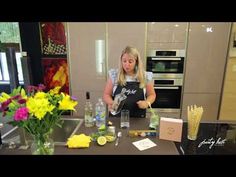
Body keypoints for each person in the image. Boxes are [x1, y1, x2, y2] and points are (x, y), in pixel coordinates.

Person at [103, 46, 156, 118]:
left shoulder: (145, 76)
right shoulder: (114, 75)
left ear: (136, 62)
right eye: (124, 61)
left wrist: (147, 103)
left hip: (138, 119)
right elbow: (106, 94)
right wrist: (112, 103)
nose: (127, 64)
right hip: (116, 118)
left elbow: (152, 95)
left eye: (130, 61)